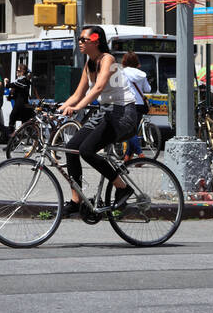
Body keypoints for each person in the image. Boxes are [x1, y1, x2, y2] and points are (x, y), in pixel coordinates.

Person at [59, 28, 136, 217]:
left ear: (96, 41)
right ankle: (76, 201)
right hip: (105, 112)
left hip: (123, 113)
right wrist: (58, 109)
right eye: (79, 39)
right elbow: (77, 94)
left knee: (86, 150)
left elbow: (99, 88)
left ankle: (122, 188)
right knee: (72, 147)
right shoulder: (89, 64)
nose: (80, 42)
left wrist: (78, 109)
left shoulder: (107, 59)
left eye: (84, 39)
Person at [120, 51, 151, 159]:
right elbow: (148, 89)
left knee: (129, 131)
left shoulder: (122, 72)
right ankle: (127, 158)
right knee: (132, 131)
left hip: (127, 103)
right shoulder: (141, 74)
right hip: (140, 105)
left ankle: (140, 154)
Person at [6, 61, 37, 138]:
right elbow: (20, 93)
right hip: (24, 106)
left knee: (12, 120)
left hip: (20, 106)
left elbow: (9, 85)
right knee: (26, 126)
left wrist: (6, 82)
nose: (17, 72)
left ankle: (11, 140)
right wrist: (11, 97)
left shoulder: (22, 81)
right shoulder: (25, 81)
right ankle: (35, 143)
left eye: (18, 70)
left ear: (22, 72)